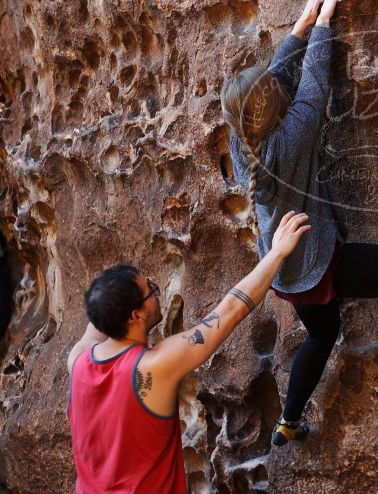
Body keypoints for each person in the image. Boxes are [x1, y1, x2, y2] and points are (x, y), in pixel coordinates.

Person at [221, 0, 378, 448]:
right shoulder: (294, 135)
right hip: (323, 263)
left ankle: (289, 420)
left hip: (286, 269)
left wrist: (301, 23)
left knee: (322, 332)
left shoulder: (244, 139)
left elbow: (274, 80)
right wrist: (323, 25)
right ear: (274, 102)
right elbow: (313, 85)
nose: (277, 83)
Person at [66, 210, 311, 493]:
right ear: (135, 316)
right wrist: (278, 253)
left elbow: (98, 315)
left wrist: (115, 288)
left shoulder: (78, 360)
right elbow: (231, 310)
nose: (157, 295)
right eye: (151, 291)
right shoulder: (152, 367)